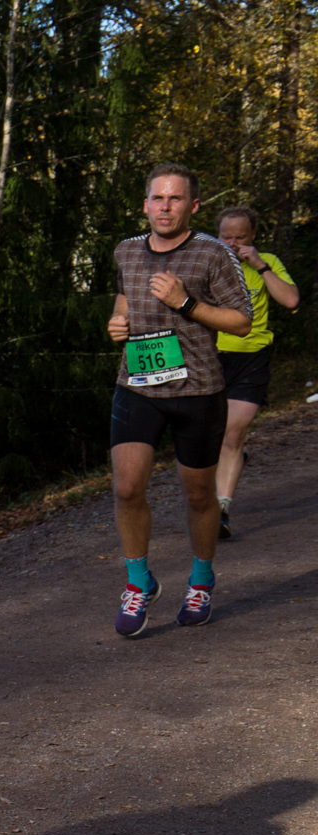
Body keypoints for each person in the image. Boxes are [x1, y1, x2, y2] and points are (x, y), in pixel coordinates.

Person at [105, 163, 251, 635]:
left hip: (198, 391)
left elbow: (241, 321)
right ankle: (138, 583)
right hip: (138, 385)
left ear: (193, 205)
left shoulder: (213, 254)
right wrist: (118, 322)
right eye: (157, 198)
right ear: (145, 203)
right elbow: (125, 297)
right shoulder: (127, 250)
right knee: (127, 488)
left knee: (199, 495)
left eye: (175, 198)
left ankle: (201, 580)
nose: (165, 207)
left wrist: (186, 304)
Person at [211, 205, 299, 540]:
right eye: (226, 237)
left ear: (253, 236)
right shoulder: (206, 261)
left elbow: (290, 300)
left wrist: (260, 264)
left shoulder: (268, 262)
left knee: (232, 435)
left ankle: (221, 511)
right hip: (210, 357)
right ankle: (230, 464)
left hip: (252, 358)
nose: (233, 243)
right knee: (209, 436)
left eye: (240, 237)